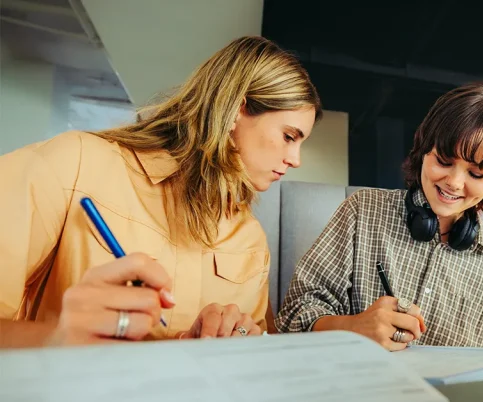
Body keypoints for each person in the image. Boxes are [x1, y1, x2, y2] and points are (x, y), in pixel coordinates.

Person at [0, 36, 322, 348]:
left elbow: (258, 355)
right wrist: (54, 339)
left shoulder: (250, 239)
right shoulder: (74, 162)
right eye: (289, 136)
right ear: (237, 109)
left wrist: (240, 340)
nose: (295, 160)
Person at [276, 81, 483, 351]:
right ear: (424, 150)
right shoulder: (362, 211)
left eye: (476, 174)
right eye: (444, 161)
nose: (455, 183)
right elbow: (292, 317)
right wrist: (354, 327)